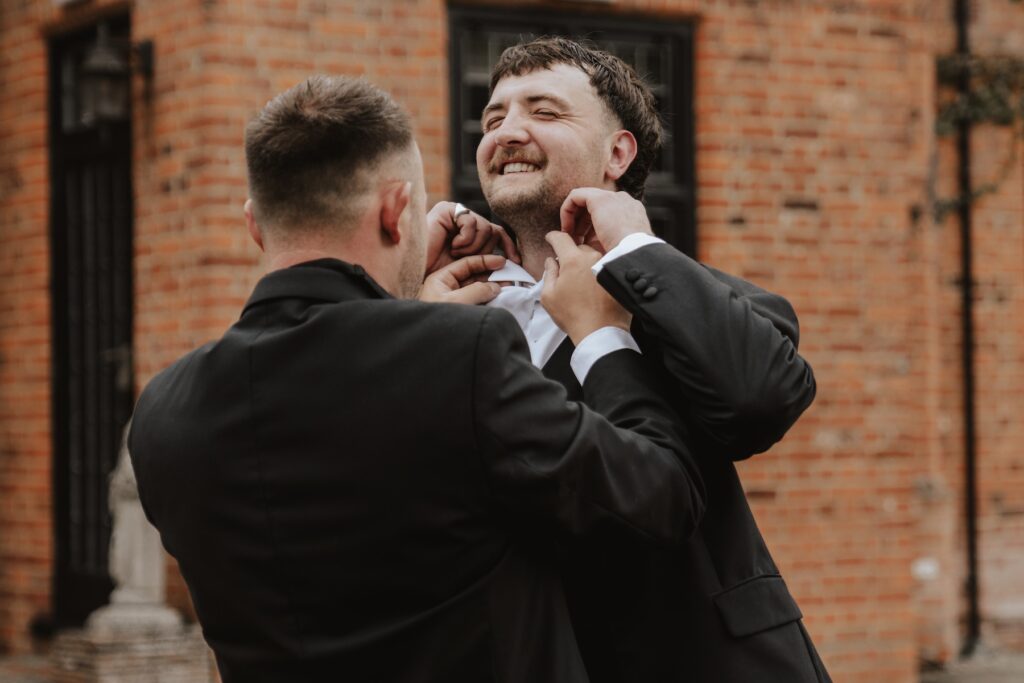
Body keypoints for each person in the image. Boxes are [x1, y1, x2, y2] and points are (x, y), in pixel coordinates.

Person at [127, 75, 706, 683]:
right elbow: (660, 495)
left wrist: (404, 312)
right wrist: (601, 335)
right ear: (397, 209)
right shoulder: (458, 355)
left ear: (254, 224)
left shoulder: (162, 412)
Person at [429, 37, 831, 682]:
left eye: (545, 112)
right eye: (494, 117)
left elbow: (760, 399)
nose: (507, 132)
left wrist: (634, 249)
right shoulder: (444, 312)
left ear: (618, 153)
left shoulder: (694, 302)